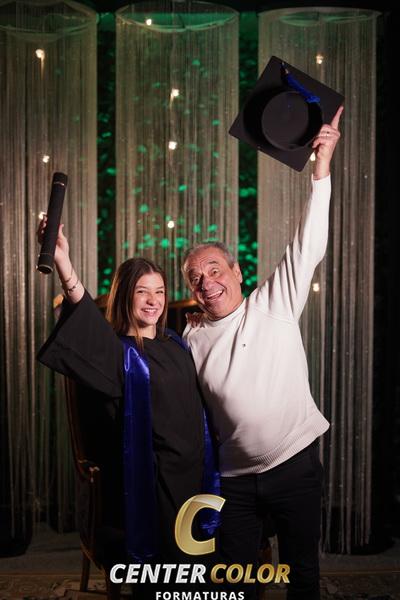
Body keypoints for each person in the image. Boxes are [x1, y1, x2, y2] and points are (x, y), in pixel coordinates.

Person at [181, 106, 343, 600]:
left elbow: (309, 243)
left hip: (294, 463)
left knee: (301, 576)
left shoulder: (273, 301)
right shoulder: (190, 337)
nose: (207, 281)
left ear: (236, 271)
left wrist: (321, 167)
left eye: (214, 269)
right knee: (236, 582)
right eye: (195, 278)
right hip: (233, 480)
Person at [36, 222, 216, 593]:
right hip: (155, 485)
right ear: (124, 297)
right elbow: (85, 317)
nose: (153, 300)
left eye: (160, 291)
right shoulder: (120, 354)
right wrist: (64, 265)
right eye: (142, 292)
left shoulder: (175, 341)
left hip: (196, 478)